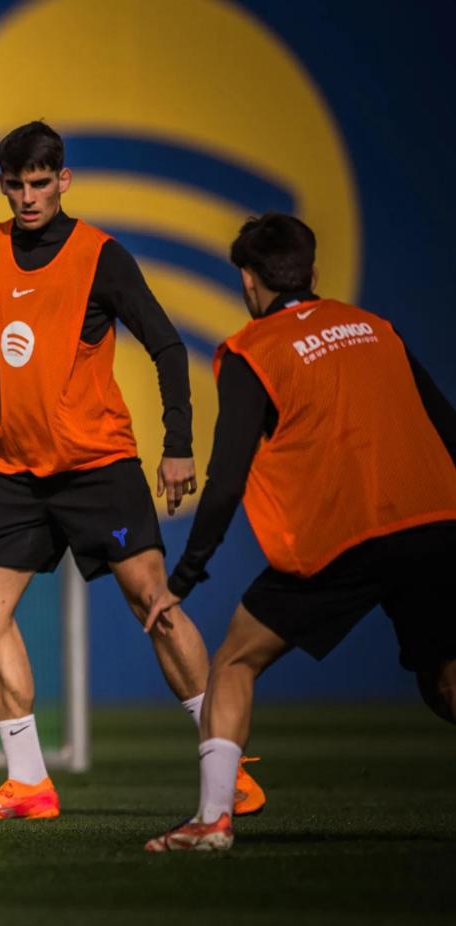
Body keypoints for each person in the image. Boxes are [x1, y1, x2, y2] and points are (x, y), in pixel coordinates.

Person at [0, 121, 264, 820]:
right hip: (16, 471)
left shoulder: (100, 256)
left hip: (97, 465)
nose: (29, 197)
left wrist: (178, 443)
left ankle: (226, 762)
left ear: (63, 180)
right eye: (16, 185)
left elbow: (166, 345)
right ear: (3, 185)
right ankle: (28, 782)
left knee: (154, 604)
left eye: (40, 183)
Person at [144, 213, 456, 851]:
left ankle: (212, 821)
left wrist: (184, 577)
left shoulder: (252, 351)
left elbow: (227, 479)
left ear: (247, 280)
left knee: (234, 661)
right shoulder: (379, 328)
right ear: (313, 272)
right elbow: (447, 427)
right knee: (445, 680)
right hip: (432, 523)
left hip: (339, 538)